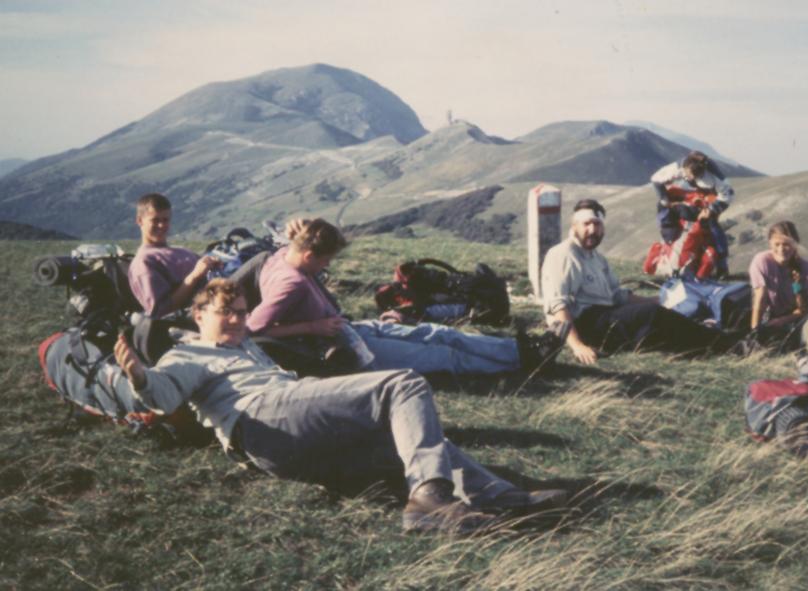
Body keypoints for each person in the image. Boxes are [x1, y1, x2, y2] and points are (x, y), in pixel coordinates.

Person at [112, 279, 566, 533]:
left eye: (240, 311)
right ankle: (429, 501)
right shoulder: (190, 354)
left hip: (292, 441)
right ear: (199, 316)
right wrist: (139, 377)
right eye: (223, 312)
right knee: (402, 385)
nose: (234, 320)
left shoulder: (245, 346)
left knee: (415, 438)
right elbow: (166, 392)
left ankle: (500, 497)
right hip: (262, 418)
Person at [245, 218, 559, 375]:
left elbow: (298, 236)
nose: (328, 266)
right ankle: (522, 364)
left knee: (437, 332)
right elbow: (253, 328)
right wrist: (312, 329)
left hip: (349, 329)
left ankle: (522, 350)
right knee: (442, 356)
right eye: (326, 259)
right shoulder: (291, 283)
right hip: (345, 349)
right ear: (311, 254)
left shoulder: (285, 253)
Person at [539, 199, 739, 365]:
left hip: (606, 317)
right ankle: (726, 344)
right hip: (585, 325)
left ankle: (712, 344)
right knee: (652, 316)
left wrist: (657, 300)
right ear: (574, 227)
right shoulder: (563, 254)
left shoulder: (596, 258)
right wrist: (577, 346)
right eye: (586, 224)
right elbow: (558, 306)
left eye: (597, 224)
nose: (592, 230)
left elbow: (617, 295)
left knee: (659, 323)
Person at [127, 193, 221, 318]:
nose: (161, 225)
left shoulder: (179, 251)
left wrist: (212, 264)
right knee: (257, 262)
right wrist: (194, 276)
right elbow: (160, 311)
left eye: (165, 220)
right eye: (155, 220)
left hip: (221, 290)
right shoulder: (144, 262)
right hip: (207, 307)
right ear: (140, 221)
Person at [650, 151, 734, 275]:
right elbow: (656, 179)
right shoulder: (677, 168)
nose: (690, 178)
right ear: (684, 167)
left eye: (695, 175)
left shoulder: (715, 177)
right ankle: (669, 241)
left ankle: (722, 263)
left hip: (711, 197)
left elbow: (728, 195)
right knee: (662, 208)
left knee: (711, 224)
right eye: (687, 174)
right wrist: (665, 201)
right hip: (688, 195)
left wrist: (710, 210)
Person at [748, 221, 808, 347]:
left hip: (797, 318)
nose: (781, 249)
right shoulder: (761, 262)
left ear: (795, 245)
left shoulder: (806, 269)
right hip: (769, 317)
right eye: (777, 244)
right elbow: (760, 298)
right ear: (770, 244)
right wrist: (755, 331)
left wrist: (783, 320)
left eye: (786, 244)